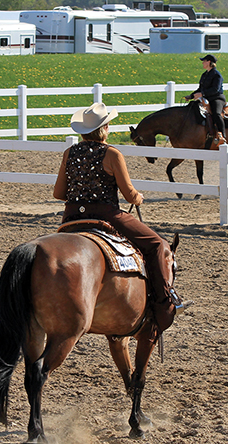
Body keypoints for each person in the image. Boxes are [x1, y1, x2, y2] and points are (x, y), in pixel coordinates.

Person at [53, 102, 188, 334]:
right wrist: (137, 198)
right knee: (156, 244)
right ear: (104, 129)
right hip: (107, 214)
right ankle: (165, 301)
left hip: (71, 216)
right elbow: (129, 193)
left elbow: (58, 193)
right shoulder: (112, 154)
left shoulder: (70, 153)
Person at [184, 54, 227, 145]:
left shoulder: (216, 75)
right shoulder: (204, 75)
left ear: (209, 62)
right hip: (206, 98)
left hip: (216, 98)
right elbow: (200, 89)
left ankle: (222, 136)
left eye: (204, 61)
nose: (203, 63)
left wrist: (202, 94)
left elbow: (215, 89)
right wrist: (191, 96)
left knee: (216, 113)